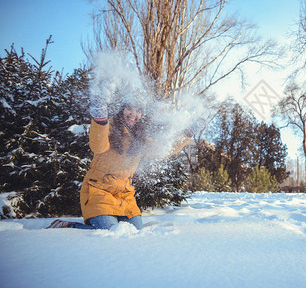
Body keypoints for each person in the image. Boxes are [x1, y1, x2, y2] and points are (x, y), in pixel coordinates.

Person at [47, 92, 203, 230]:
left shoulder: (140, 139)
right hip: (98, 192)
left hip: (125, 196)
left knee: (134, 234)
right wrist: (100, 121)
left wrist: (188, 133)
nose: (133, 114)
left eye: (138, 111)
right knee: (111, 233)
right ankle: (70, 227)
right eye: (130, 109)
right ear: (121, 109)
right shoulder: (108, 128)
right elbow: (98, 146)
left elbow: (164, 150)